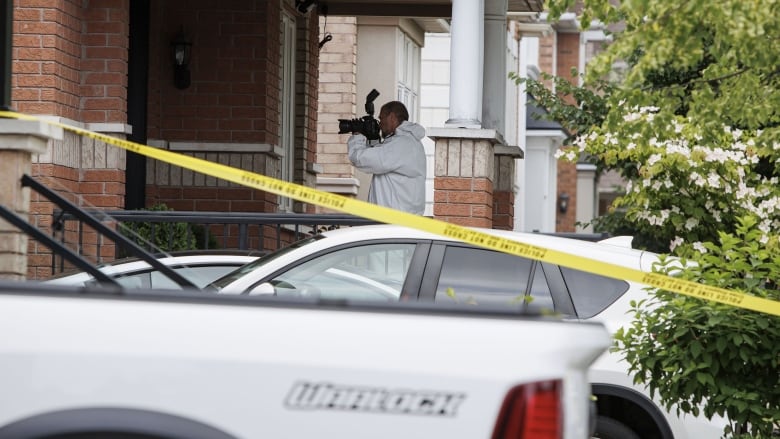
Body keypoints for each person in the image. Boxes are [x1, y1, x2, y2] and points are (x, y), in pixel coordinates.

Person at [347, 101, 426, 215]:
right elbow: (379, 159)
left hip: (394, 224)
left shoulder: (401, 144)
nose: (379, 124)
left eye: (381, 118)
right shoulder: (407, 142)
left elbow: (361, 159)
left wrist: (357, 135)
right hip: (399, 221)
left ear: (392, 117)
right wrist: (373, 138)